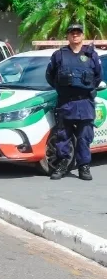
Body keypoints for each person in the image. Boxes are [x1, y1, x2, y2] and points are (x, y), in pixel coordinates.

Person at [46, 22, 103, 181]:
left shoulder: (92, 55)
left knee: (85, 136)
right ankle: (63, 164)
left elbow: (98, 77)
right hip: (66, 103)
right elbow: (50, 76)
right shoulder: (59, 55)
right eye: (72, 33)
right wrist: (63, 90)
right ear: (68, 36)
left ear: (82, 36)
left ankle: (84, 166)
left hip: (85, 103)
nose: (75, 35)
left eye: (78, 32)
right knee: (63, 136)